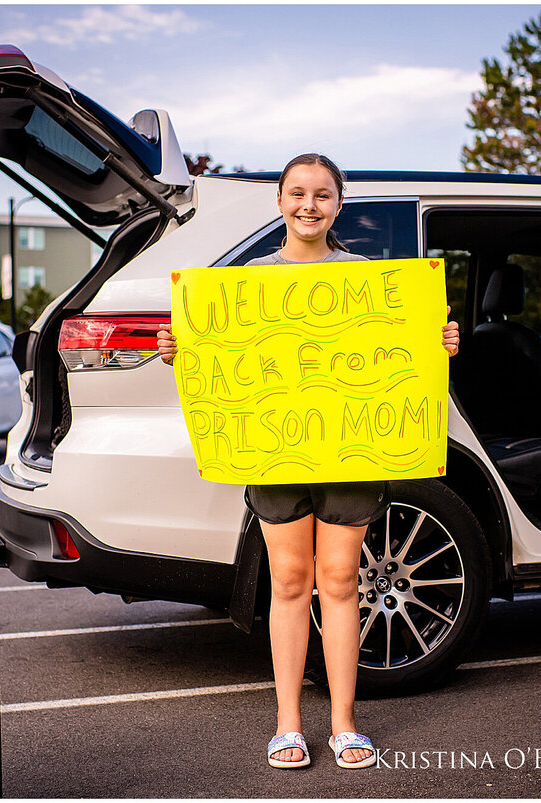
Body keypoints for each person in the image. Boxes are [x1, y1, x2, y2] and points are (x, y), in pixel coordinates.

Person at [157, 153, 460, 769]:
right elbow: (219, 355)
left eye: (323, 195)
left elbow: (401, 358)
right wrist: (182, 347)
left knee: (342, 583)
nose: (309, 205)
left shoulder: (370, 280)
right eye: (298, 193)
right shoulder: (247, 282)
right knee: (291, 583)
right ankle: (288, 725)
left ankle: (345, 725)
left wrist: (439, 342)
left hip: (350, 455)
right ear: (280, 202)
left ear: (339, 205)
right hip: (274, 456)